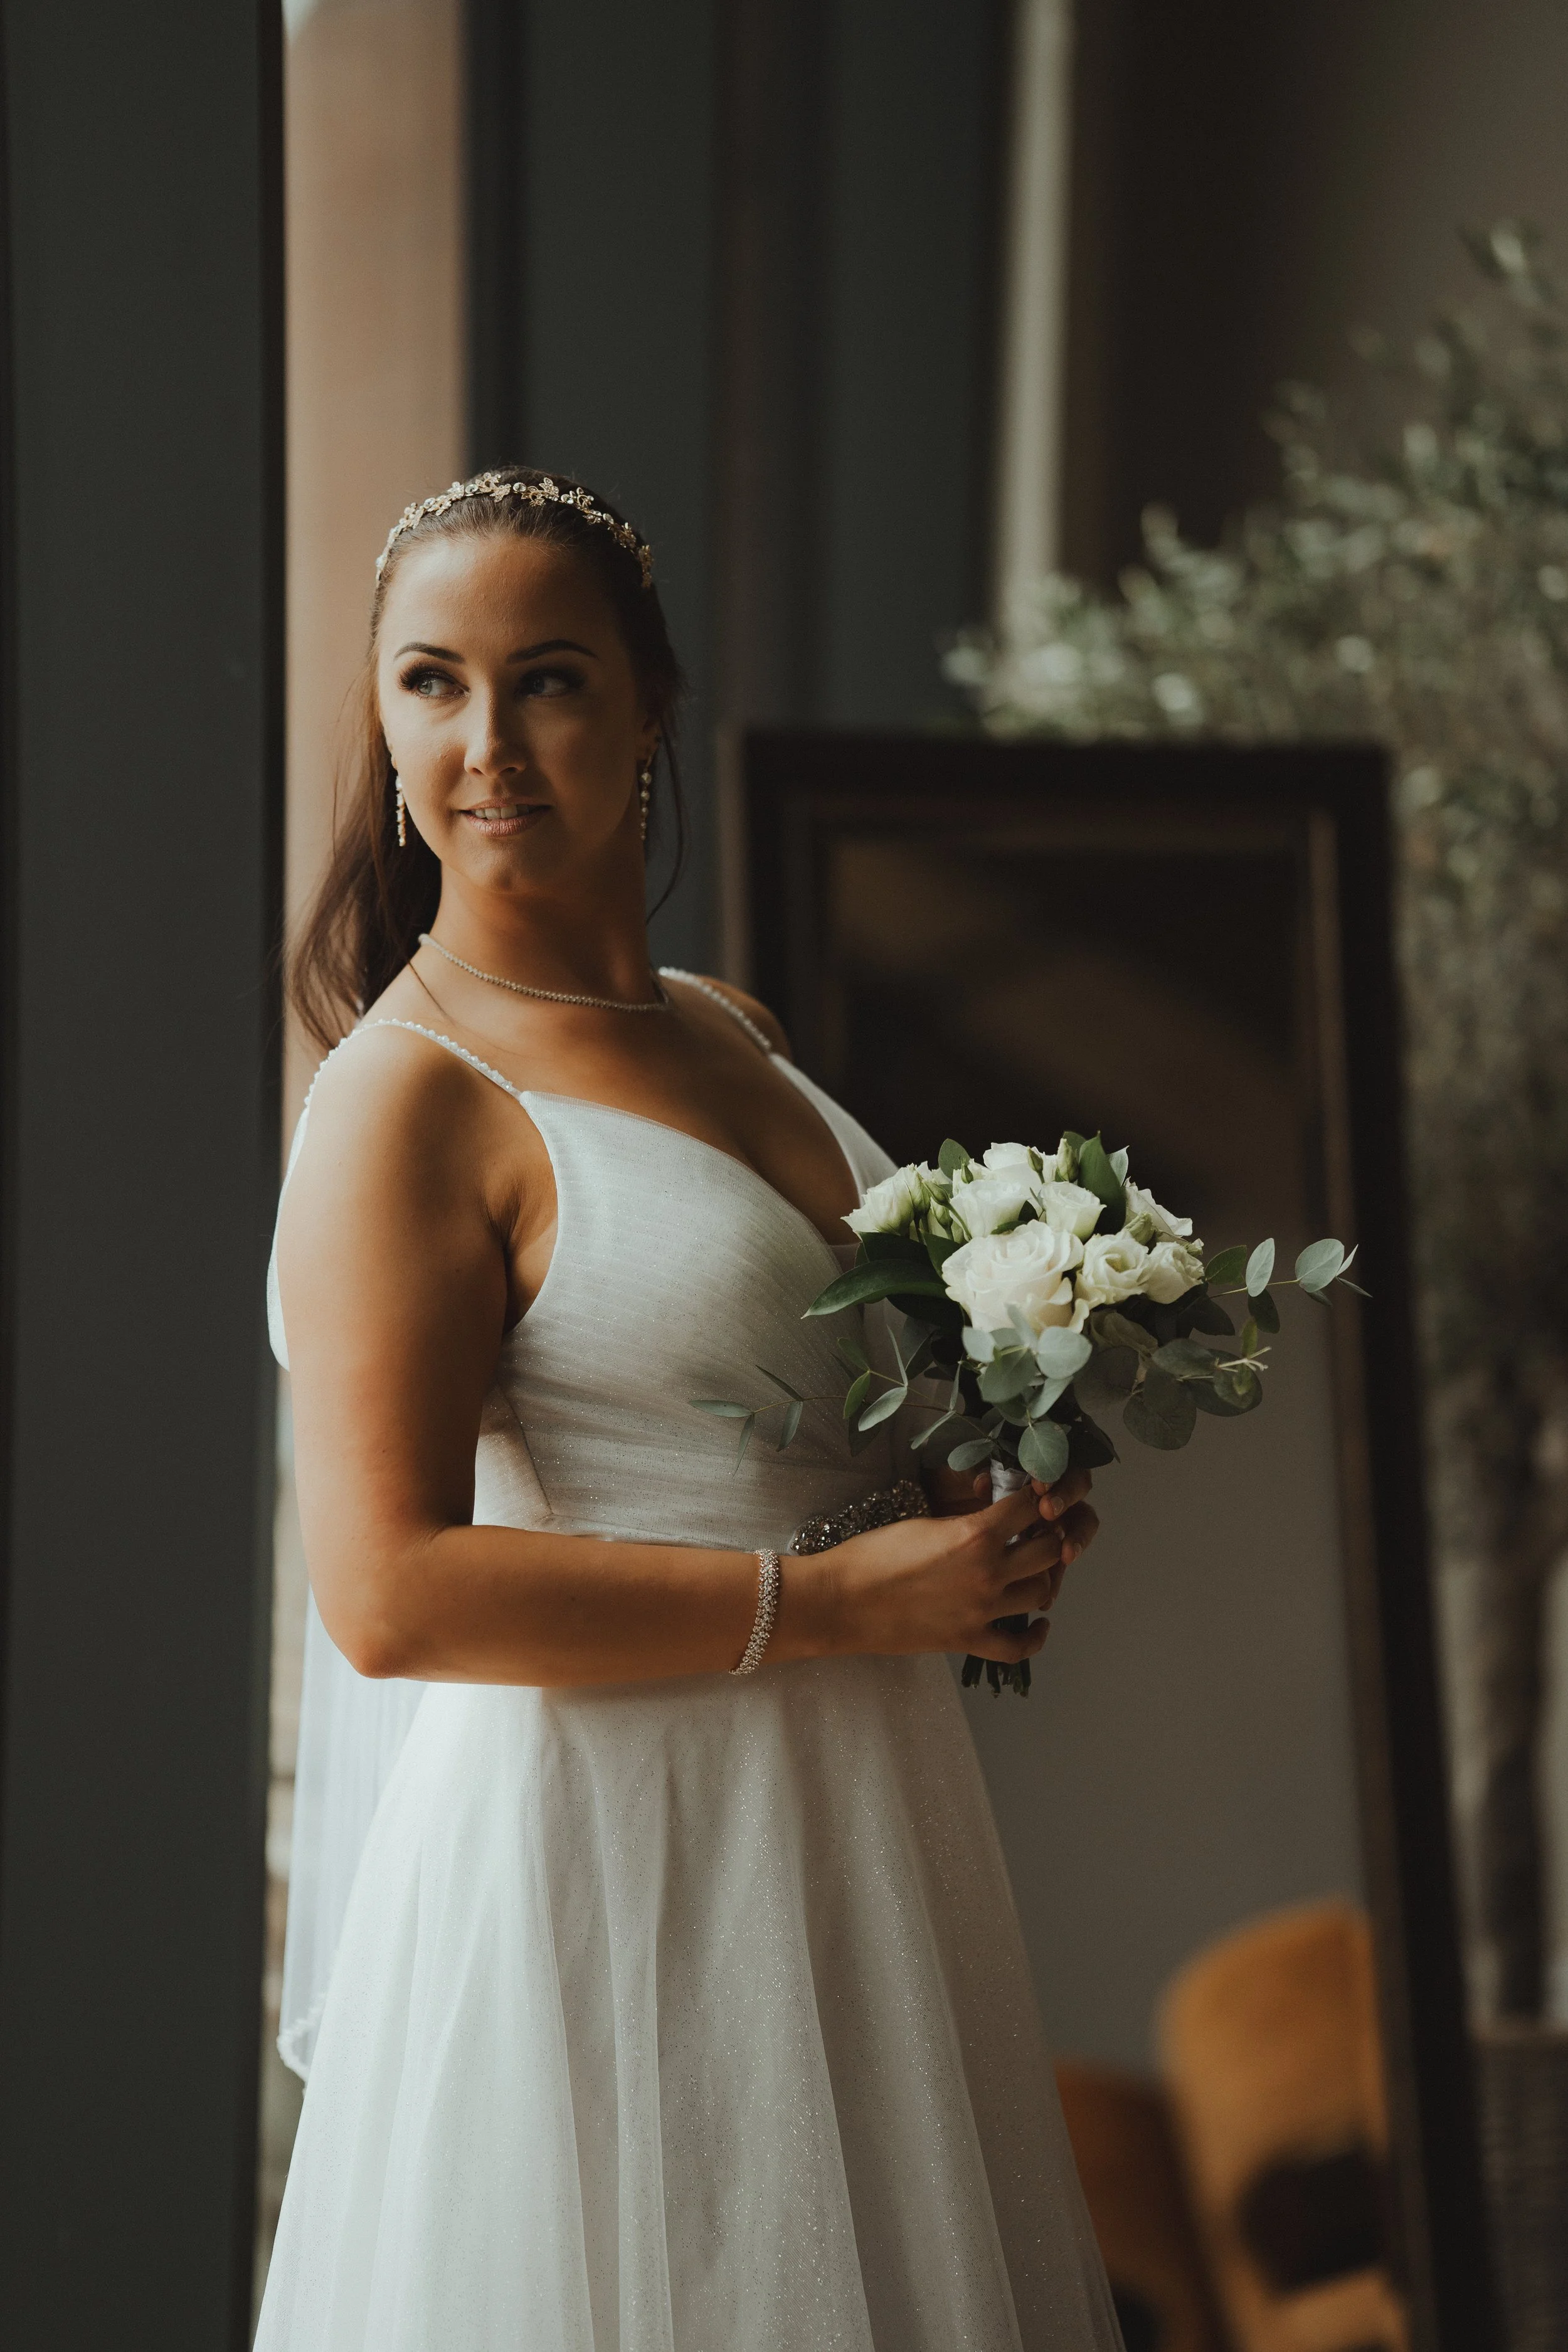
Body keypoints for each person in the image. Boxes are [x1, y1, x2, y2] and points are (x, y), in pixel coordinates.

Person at [254, 466, 1121, 2350]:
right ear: (383, 716)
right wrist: (846, 1603)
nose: (484, 745)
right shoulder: (403, 1107)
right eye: (430, 683)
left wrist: (982, 1504)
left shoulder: (734, 1029)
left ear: (653, 706)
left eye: (547, 680)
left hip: (857, 1825)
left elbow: (784, 1417)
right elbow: (389, 1594)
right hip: (611, 1851)